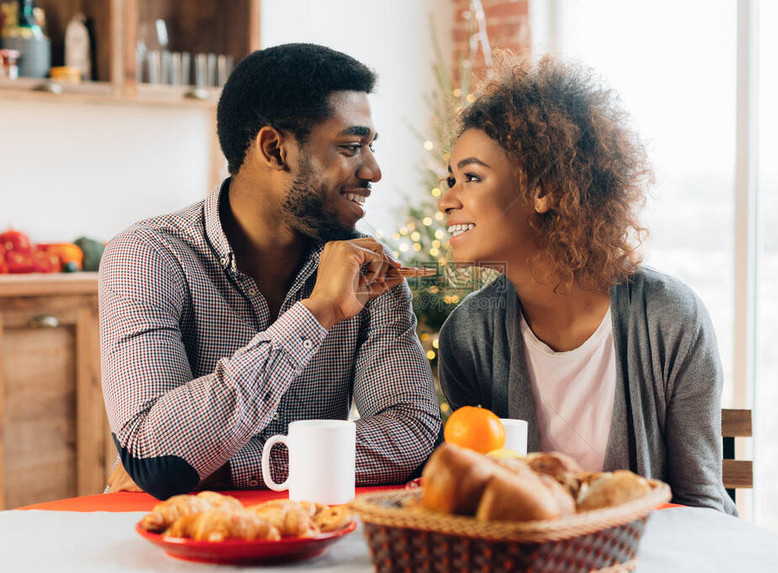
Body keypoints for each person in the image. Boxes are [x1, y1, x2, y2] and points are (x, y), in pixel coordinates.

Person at [99, 43, 441, 500]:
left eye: (371, 147)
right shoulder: (149, 256)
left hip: (312, 540)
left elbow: (413, 436)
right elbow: (157, 451)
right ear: (274, 149)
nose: (374, 171)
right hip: (181, 545)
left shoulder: (366, 266)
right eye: (351, 147)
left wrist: (222, 465)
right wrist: (316, 313)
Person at [437, 54, 737, 515]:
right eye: (450, 179)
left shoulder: (669, 318)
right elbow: (480, 508)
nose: (446, 199)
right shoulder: (469, 335)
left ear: (544, 189)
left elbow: (700, 505)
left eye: (471, 177)